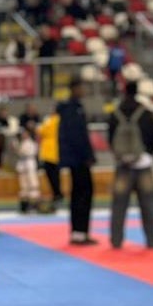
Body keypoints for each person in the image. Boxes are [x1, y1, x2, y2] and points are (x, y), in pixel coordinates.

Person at [107, 80, 153, 249]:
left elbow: (110, 137)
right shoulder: (146, 113)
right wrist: (147, 153)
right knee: (148, 205)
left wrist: (120, 155)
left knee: (119, 206)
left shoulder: (115, 113)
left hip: (123, 165)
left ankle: (116, 240)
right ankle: (151, 240)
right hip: (143, 163)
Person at [57, 77, 97, 246]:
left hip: (77, 158)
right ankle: (79, 232)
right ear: (74, 89)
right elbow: (76, 137)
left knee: (79, 193)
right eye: (81, 87)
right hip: (78, 159)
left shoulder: (74, 108)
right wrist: (87, 156)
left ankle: (79, 231)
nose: (83, 91)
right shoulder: (72, 109)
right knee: (83, 194)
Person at [37, 110, 62, 207]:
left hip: (49, 152)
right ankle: (57, 193)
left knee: (52, 175)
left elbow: (41, 131)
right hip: (54, 151)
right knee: (55, 175)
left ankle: (57, 193)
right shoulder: (58, 121)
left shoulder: (50, 120)